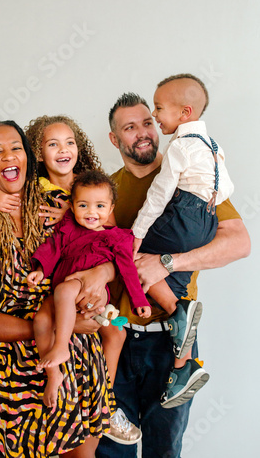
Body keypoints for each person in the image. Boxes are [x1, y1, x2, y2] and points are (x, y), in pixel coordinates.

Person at [0, 120, 116, 458]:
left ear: (28, 156)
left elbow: (107, 242)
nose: (8, 156)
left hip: (80, 365)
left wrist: (104, 273)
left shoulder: (58, 207)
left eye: (15, 147)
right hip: (16, 378)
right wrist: (61, 328)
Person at [96, 93, 251, 458]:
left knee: (164, 451)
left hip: (170, 343)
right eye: (129, 128)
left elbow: (239, 243)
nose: (143, 133)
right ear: (114, 139)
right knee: (109, 450)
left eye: (148, 122)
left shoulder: (190, 178)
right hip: (115, 333)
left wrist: (166, 262)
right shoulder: (103, 190)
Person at [0, 115, 142, 447]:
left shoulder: (92, 185)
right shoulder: (31, 190)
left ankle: (105, 405)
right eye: (53, 144)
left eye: (69, 143)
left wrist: (101, 271)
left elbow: (113, 239)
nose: (63, 150)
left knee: (117, 330)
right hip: (57, 286)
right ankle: (78, 385)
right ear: (37, 153)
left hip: (91, 287)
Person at [130, 74, 234, 407]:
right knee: (174, 281)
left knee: (133, 260)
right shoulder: (213, 146)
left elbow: (159, 195)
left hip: (184, 213)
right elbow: (226, 188)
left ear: (185, 112)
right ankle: (183, 368)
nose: (157, 116)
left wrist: (137, 234)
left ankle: (178, 311)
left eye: (158, 109)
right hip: (207, 217)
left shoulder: (181, 146)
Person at [27, 170, 151, 413]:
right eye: (83, 205)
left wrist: (140, 301)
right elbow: (53, 247)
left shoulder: (117, 237)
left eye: (100, 206)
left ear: (110, 208)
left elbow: (128, 270)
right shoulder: (68, 227)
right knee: (41, 319)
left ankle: (105, 393)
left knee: (109, 328)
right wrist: (40, 270)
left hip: (91, 294)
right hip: (66, 296)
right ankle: (54, 374)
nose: (91, 212)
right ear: (72, 207)